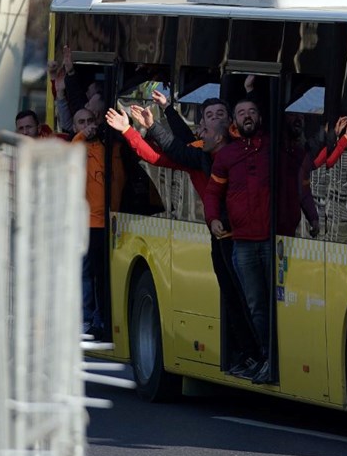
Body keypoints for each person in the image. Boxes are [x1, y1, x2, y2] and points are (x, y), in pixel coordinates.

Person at [107, 96, 263, 378]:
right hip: (221, 236)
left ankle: (257, 355)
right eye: (210, 114)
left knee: (247, 298)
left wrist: (163, 114)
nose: (216, 118)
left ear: (230, 122)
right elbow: (161, 153)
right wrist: (129, 130)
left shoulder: (242, 149)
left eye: (220, 113)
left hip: (247, 235)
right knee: (231, 296)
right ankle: (248, 355)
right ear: (202, 126)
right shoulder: (200, 154)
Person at [203, 99, 276, 384]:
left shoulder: (272, 148)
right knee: (255, 305)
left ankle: (270, 358)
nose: (248, 116)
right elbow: (212, 193)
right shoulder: (227, 155)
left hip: (271, 240)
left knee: (273, 304)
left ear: (260, 117)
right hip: (242, 243)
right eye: (242, 113)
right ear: (235, 121)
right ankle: (263, 357)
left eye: (252, 111)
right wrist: (213, 220)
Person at [74, 107, 125, 341]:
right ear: (75, 127)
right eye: (81, 122)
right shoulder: (76, 147)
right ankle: (87, 318)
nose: (87, 125)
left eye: (90, 120)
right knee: (88, 275)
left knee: (104, 275)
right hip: (87, 223)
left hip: (112, 221)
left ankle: (101, 318)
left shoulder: (109, 147)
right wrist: (83, 135)